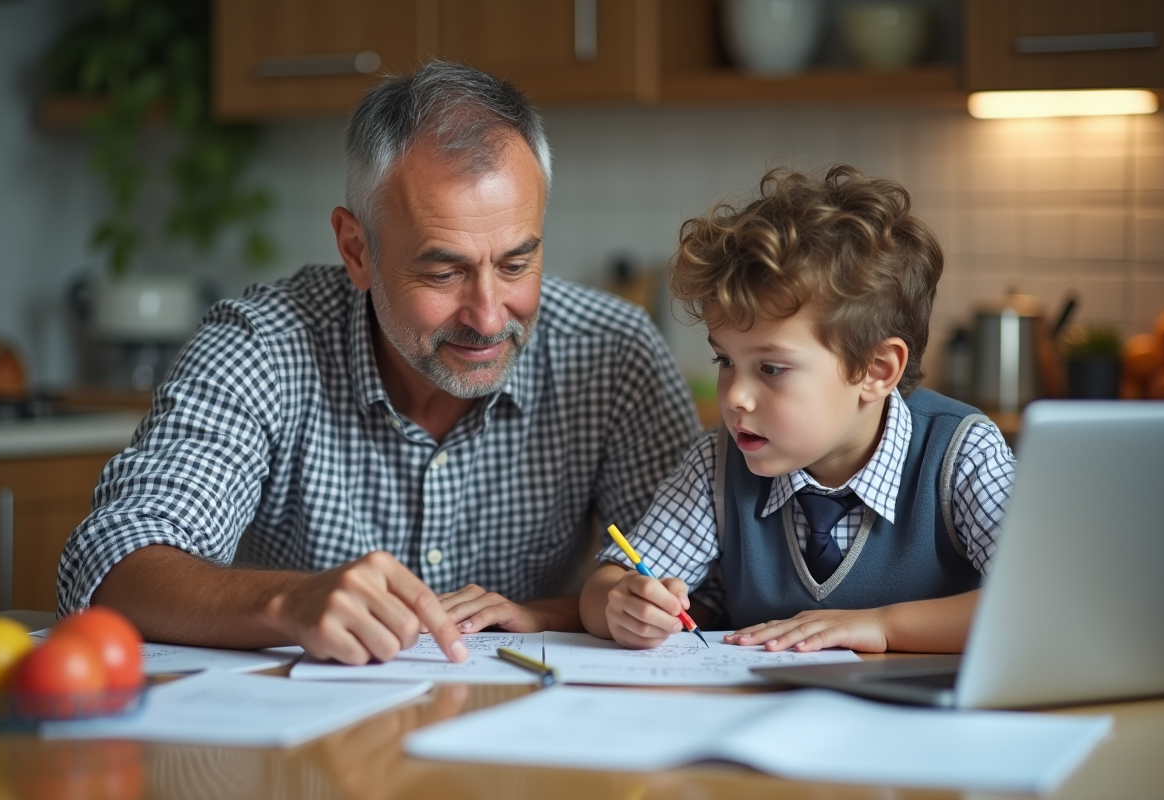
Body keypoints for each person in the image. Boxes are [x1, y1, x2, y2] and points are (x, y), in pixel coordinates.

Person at [58, 62, 700, 665]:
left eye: (515, 264)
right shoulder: (261, 345)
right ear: (356, 249)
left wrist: (545, 614)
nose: (487, 316)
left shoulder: (613, 352)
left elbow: (699, 586)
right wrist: (286, 604)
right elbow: (110, 559)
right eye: (443, 271)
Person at [581, 165, 1016, 654]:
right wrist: (623, 605)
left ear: (875, 369)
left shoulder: (962, 453)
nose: (735, 396)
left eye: (771, 368)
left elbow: (1035, 603)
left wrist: (882, 627)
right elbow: (605, 589)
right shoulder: (716, 465)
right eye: (725, 360)